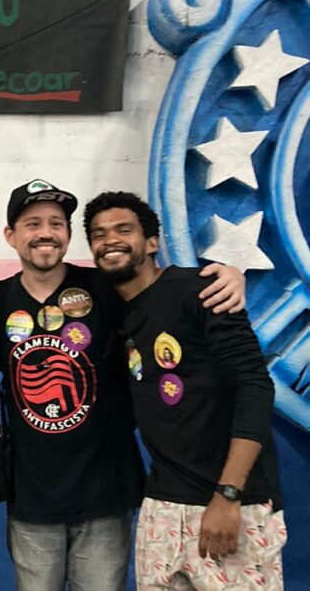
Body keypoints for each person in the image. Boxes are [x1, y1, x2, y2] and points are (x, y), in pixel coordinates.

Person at [0, 179, 246, 591]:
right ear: (11, 236)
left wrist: (230, 275)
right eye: (32, 224)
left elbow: (162, 285)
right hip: (31, 501)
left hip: (106, 497)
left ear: (68, 234)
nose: (45, 232)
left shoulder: (107, 288)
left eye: (56, 222)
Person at [84, 191, 286, 590]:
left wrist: (228, 494)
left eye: (124, 229)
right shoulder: (115, 309)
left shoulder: (201, 290)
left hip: (231, 503)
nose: (110, 240)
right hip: (162, 506)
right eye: (98, 234)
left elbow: (255, 385)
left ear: (153, 241)